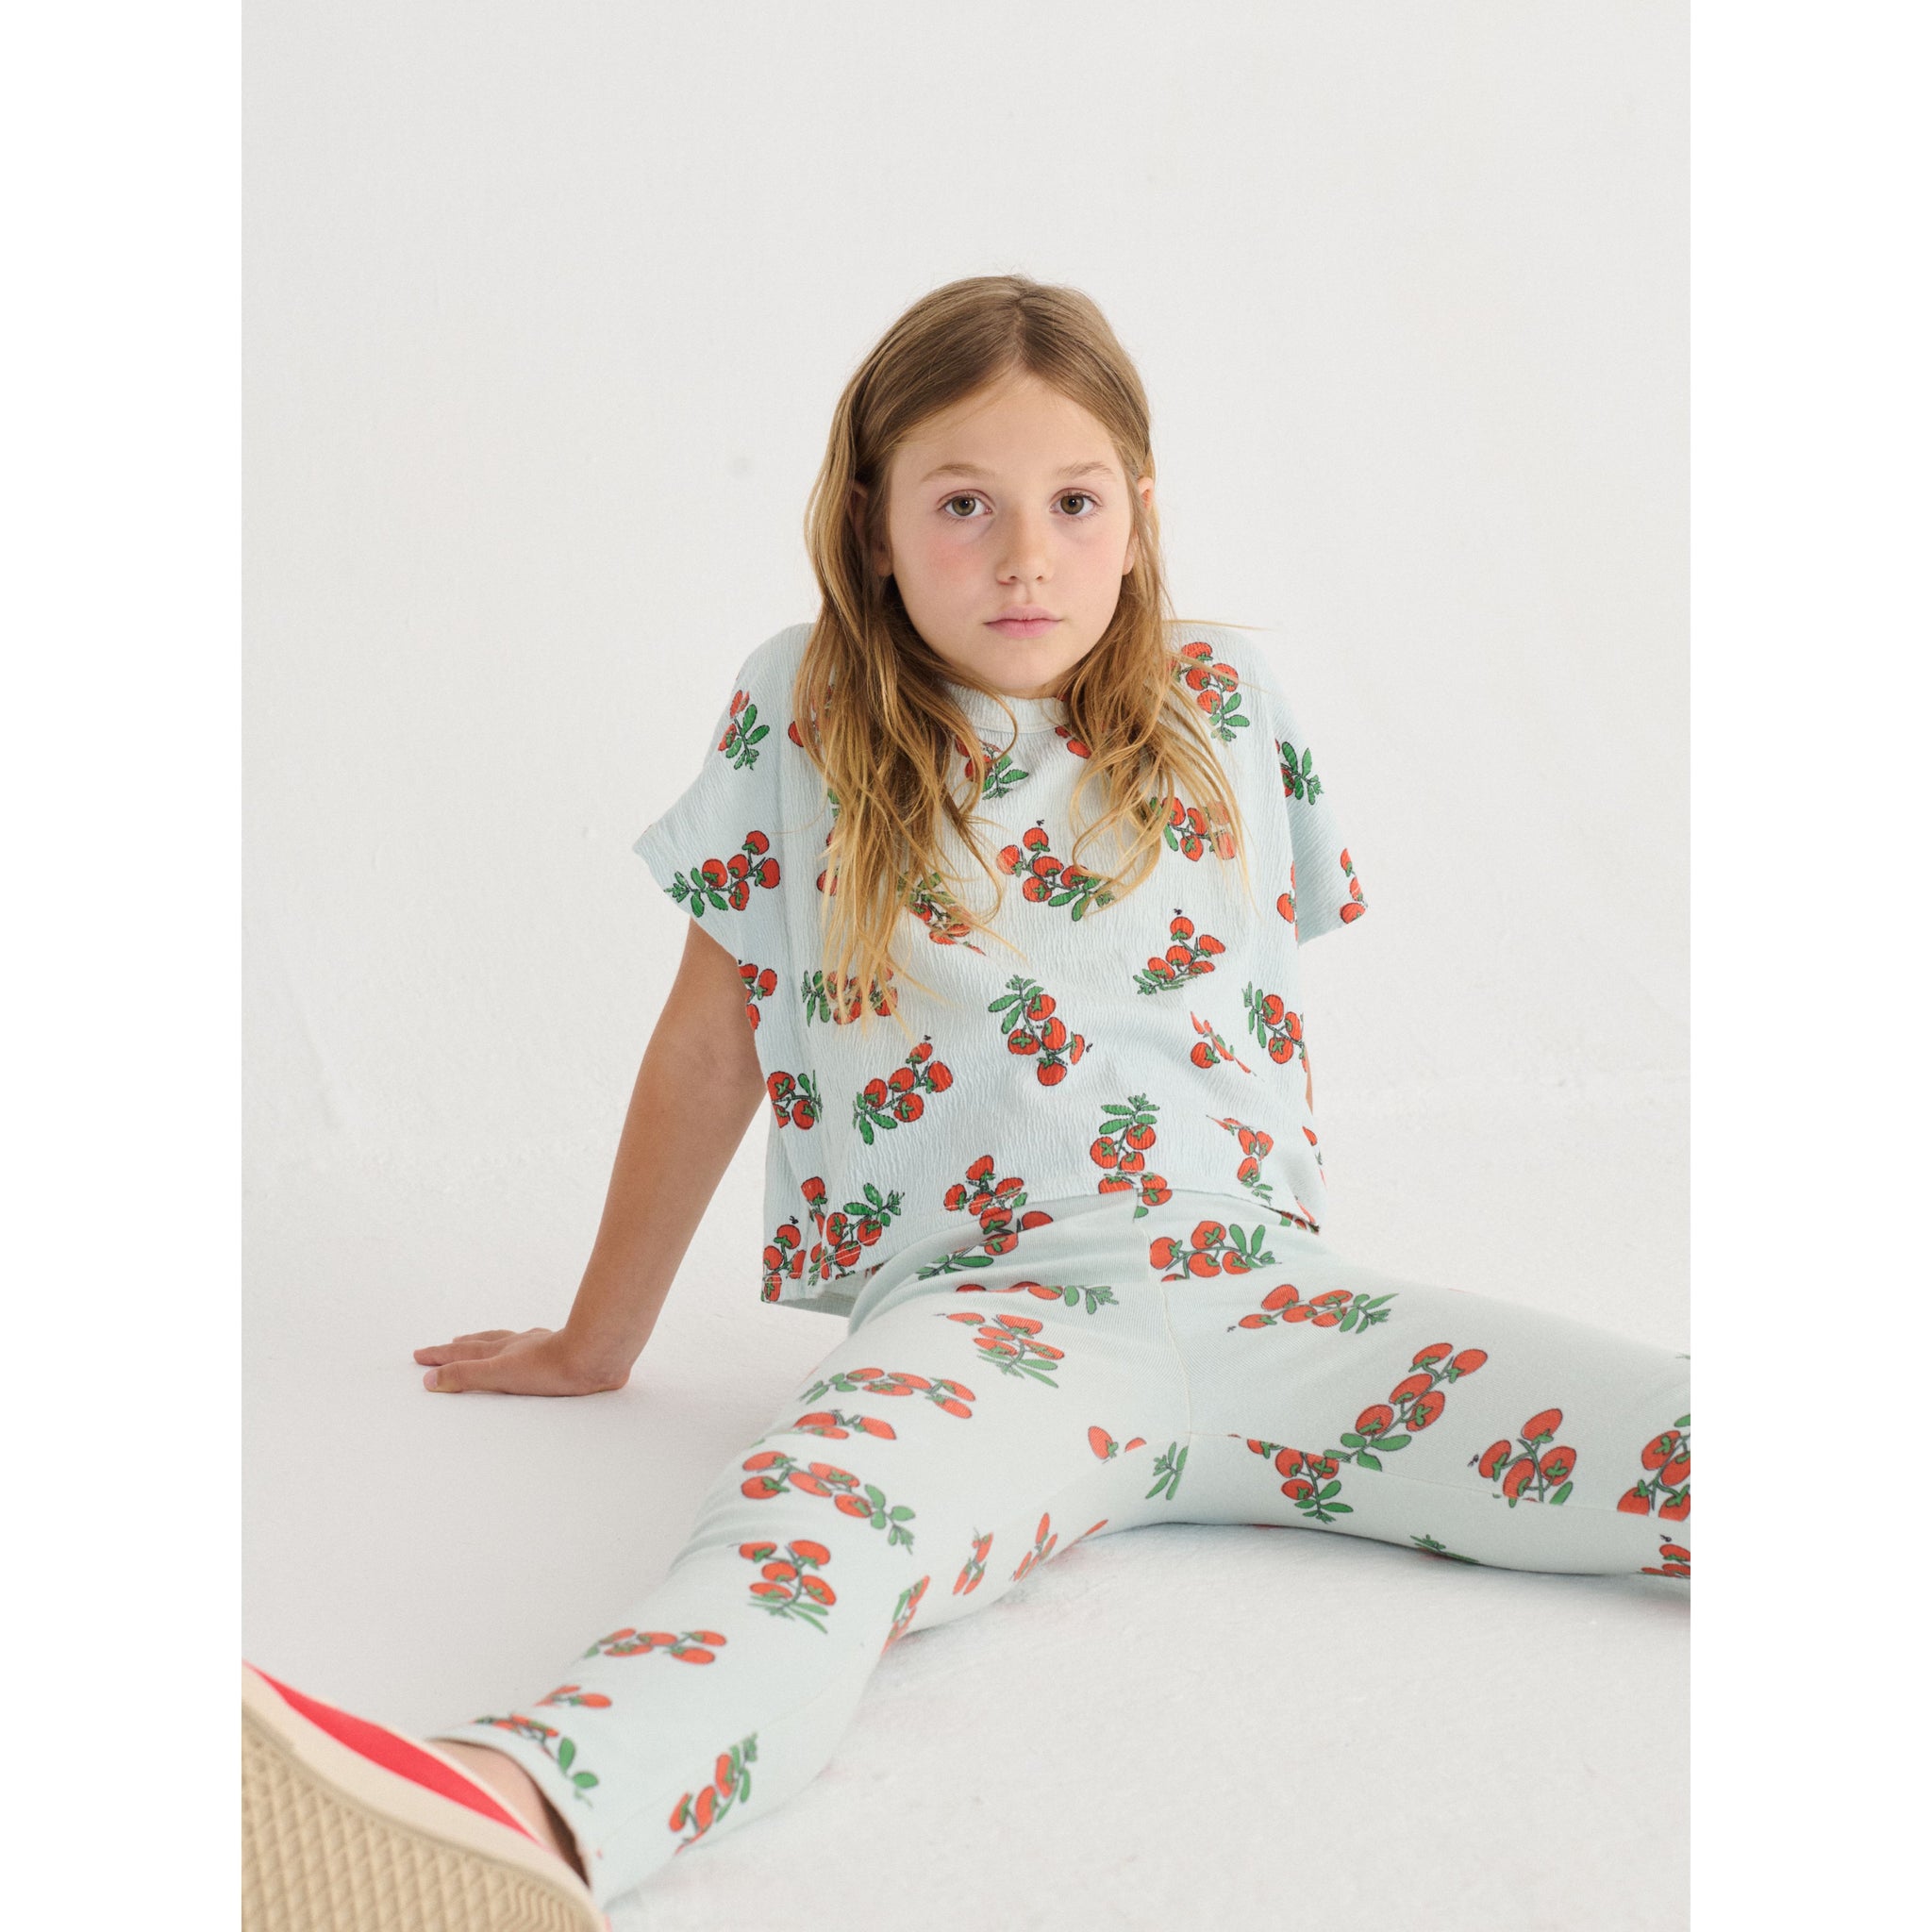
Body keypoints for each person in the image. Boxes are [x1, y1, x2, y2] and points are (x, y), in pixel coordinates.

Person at [241, 275, 1690, 1932]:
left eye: (1074, 504)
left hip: (1270, 1301)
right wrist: (597, 1340)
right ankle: (508, 1813)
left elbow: (1248, 992)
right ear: (873, 525)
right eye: (963, 506)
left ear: (1140, 515)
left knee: (1667, 1418)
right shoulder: (801, 709)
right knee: (801, 1551)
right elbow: (712, 1045)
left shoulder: (1228, 703)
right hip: (987, 1327)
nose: (1024, 558)